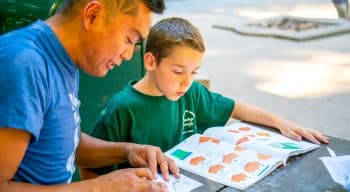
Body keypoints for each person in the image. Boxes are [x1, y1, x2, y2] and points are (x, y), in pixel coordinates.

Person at [80, 17, 330, 179]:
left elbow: (237, 108)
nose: (186, 81)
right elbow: (89, 165)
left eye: (194, 72)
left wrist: (281, 122)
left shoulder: (192, 92)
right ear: (150, 61)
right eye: (178, 71)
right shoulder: (122, 109)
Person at [0, 0, 180, 191]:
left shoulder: (65, 59)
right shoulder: (24, 64)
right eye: (129, 39)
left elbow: (60, 140)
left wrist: (128, 151)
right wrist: (102, 187)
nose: (128, 55)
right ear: (92, 15)